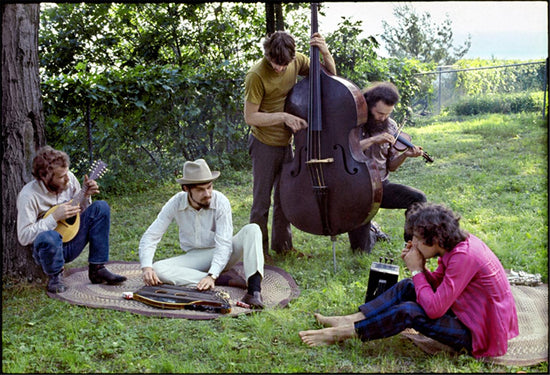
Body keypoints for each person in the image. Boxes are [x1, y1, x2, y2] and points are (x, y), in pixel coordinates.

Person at [299, 202, 519, 359]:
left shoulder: (464, 256)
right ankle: (351, 319)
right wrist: (421, 269)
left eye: (417, 239)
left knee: (409, 310)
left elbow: (433, 309)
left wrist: (416, 270)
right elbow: (438, 285)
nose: (413, 244)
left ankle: (342, 333)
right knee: (409, 286)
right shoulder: (454, 247)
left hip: (478, 334)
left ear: (436, 239)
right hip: (468, 312)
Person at [243, 30, 336, 261]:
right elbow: (251, 117)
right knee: (261, 202)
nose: (279, 69)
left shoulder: (296, 60)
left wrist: (325, 51)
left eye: (284, 65)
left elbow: (330, 77)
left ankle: (283, 246)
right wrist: (284, 117)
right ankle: (259, 253)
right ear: (267, 53)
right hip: (264, 143)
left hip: (287, 143)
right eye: (275, 63)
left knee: (285, 197)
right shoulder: (255, 75)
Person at [139, 159, 265, 309]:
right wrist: (146, 267)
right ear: (186, 189)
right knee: (157, 269)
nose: (207, 194)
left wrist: (212, 274)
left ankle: (254, 291)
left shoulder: (221, 201)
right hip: (195, 257)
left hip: (225, 253)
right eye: (200, 190)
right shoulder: (175, 203)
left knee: (253, 229)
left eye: (209, 187)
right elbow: (151, 235)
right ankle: (224, 279)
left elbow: (224, 244)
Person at [17, 146, 127, 293]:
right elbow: (24, 237)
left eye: (67, 173)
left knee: (101, 207)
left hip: (73, 239)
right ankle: (55, 277)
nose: (68, 178)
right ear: (45, 177)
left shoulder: (70, 179)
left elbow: (82, 214)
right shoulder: (28, 195)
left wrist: (86, 196)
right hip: (49, 250)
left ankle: (97, 268)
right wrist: (54, 217)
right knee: (49, 236)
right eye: (62, 176)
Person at [347, 81, 427, 253]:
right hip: (356, 190)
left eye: (388, 114)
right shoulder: (354, 122)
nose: (383, 118)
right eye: (379, 113)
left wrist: (405, 155)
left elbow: (391, 166)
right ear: (369, 106)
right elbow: (346, 150)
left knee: (418, 198)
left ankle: (410, 245)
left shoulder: (390, 125)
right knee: (360, 250)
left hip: (381, 185)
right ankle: (373, 231)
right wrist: (374, 140)